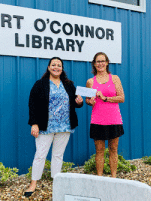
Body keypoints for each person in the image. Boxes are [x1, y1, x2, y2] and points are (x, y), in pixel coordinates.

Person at [25, 57, 83, 197]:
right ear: (49, 67)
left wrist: (80, 101)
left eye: (59, 65)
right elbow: (32, 104)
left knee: (58, 155)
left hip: (65, 126)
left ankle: (56, 181)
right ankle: (33, 184)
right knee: (40, 155)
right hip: (45, 126)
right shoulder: (40, 84)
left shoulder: (69, 84)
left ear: (62, 68)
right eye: (54, 65)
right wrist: (34, 123)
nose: (56, 67)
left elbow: (75, 103)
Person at [85, 52, 125, 178]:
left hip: (114, 119)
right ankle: (100, 178)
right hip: (97, 120)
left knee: (113, 149)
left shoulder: (115, 78)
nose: (100, 63)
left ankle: (113, 178)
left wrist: (106, 98)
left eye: (103, 61)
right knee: (99, 150)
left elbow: (122, 98)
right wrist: (89, 101)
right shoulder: (90, 81)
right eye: (98, 61)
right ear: (94, 64)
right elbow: (88, 100)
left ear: (107, 63)